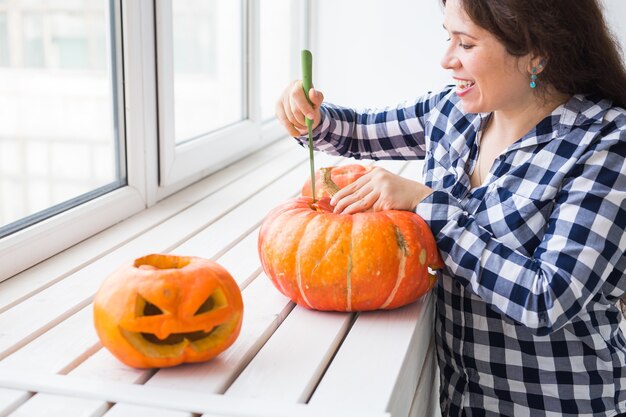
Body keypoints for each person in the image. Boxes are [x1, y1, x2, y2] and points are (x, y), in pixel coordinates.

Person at [275, 0, 626, 416]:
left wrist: (429, 206)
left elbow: (546, 299)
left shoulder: (606, 142)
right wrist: (308, 115)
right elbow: (353, 131)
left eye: (466, 43)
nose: (446, 59)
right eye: (448, 37)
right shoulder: (453, 112)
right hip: (464, 401)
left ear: (537, 53)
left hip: (563, 405)